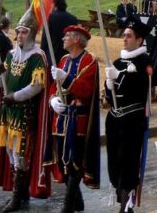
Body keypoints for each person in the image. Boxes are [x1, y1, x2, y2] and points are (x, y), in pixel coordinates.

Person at [0, 5, 52, 211]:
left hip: (24, 111)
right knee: (9, 149)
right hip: (8, 111)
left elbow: (37, 86)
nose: (19, 36)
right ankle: (21, 190)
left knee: (19, 151)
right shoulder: (10, 54)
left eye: (24, 32)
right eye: (18, 32)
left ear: (32, 34)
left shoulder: (38, 56)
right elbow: (2, 84)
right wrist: (0, 74)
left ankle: (17, 195)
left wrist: (15, 97)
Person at [46, 25, 99, 212]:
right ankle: (78, 202)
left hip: (77, 120)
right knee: (62, 161)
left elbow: (86, 90)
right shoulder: (63, 60)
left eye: (67, 36)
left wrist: (66, 78)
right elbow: (54, 86)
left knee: (74, 161)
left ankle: (67, 206)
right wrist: (52, 100)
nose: (63, 39)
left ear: (77, 39)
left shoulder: (89, 61)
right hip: (61, 118)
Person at [105, 17, 152, 213]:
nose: (124, 39)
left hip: (132, 120)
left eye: (129, 36)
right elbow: (109, 97)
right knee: (114, 162)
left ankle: (125, 206)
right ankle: (122, 200)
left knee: (129, 164)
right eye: (124, 35)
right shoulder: (117, 62)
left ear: (139, 40)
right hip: (114, 119)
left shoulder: (145, 63)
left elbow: (140, 89)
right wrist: (108, 85)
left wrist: (119, 77)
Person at [40, 0, 78, 67]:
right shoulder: (73, 19)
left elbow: (45, 39)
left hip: (52, 55)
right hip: (68, 55)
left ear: (54, 4)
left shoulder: (50, 17)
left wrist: (41, 53)